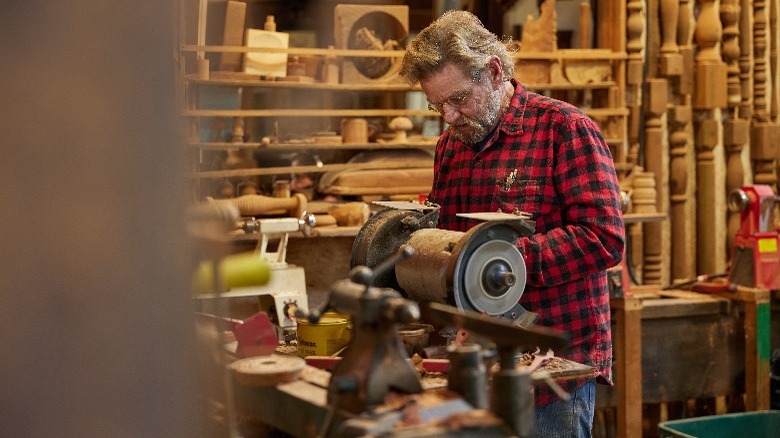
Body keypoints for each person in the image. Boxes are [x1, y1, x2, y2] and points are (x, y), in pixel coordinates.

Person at [399, 10, 625, 438]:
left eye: (459, 98)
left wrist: (498, 261)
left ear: (495, 71)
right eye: (437, 105)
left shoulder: (565, 129)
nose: (448, 116)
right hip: (476, 362)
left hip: (548, 369)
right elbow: (451, 242)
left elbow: (604, 239)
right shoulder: (452, 145)